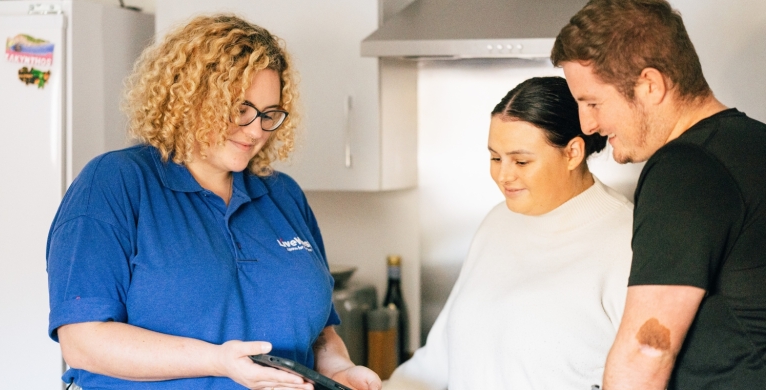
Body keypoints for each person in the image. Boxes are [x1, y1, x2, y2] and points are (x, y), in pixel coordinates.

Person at [45, 15, 381, 390]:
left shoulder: (282, 195)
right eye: (240, 109)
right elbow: (82, 341)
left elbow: (319, 333)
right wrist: (218, 361)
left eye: (269, 114)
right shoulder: (116, 183)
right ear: (189, 98)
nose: (256, 131)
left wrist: (339, 369)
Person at [552, 0, 766, 388]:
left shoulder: (685, 169)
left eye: (593, 102)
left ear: (650, 84)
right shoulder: (754, 144)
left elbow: (646, 353)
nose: (587, 124)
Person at [383, 77, 634, 389]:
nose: (503, 175)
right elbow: (440, 357)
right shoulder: (497, 222)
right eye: (495, 157)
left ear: (573, 152)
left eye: (521, 160)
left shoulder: (626, 240)